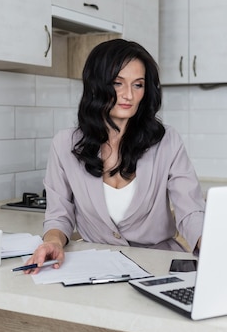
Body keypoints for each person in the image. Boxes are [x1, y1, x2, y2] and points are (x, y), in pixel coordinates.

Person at [24, 39, 205, 273]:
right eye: (118, 83)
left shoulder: (167, 141)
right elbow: (59, 216)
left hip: (160, 266)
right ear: (97, 85)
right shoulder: (65, 145)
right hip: (98, 266)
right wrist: (53, 242)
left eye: (138, 85)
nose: (128, 95)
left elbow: (190, 209)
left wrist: (209, 244)